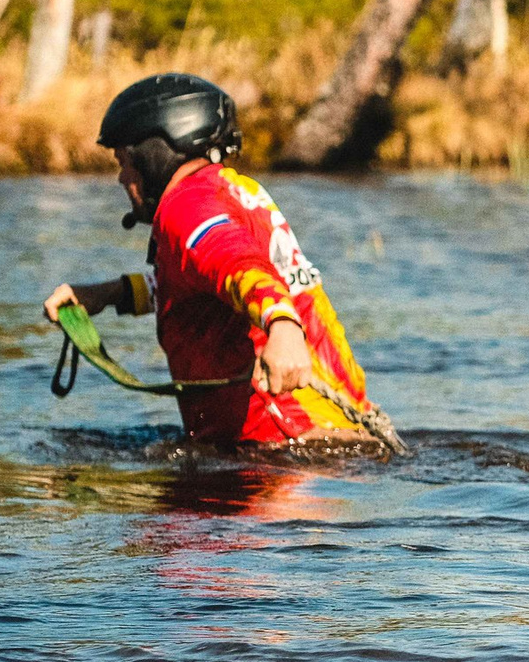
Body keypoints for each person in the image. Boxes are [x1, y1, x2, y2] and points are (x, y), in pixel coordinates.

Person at [42, 73, 378, 446]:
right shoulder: (227, 190)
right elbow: (201, 281)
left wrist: (282, 326)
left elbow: (239, 266)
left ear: (156, 151)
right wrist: (109, 294)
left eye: (123, 161)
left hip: (289, 444)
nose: (122, 178)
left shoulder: (186, 209)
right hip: (332, 434)